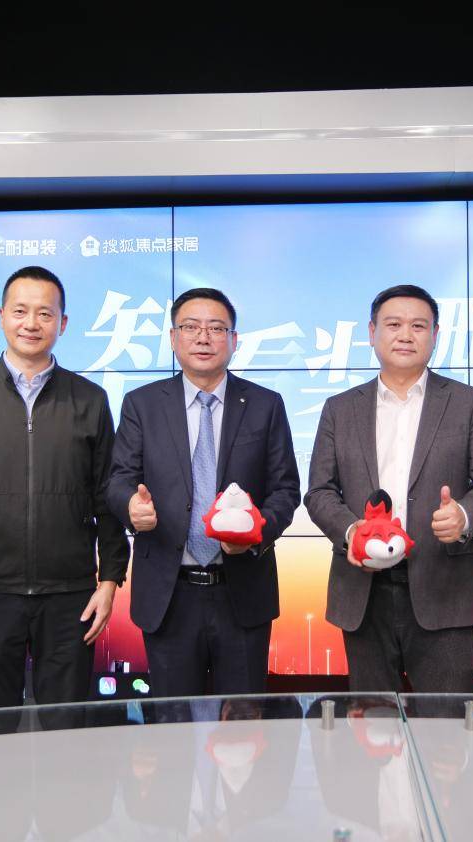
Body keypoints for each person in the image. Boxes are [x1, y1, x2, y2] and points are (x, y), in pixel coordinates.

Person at [0, 265, 129, 732]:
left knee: (68, 731)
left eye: (45, 313)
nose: (31, 323)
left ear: (63, 323)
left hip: (69, 596)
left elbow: (107, 497)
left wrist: (110, 580)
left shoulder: (89, 399)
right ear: (1, 316)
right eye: (20, 311)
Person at [305, 284, 473, 692]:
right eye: (393, 324)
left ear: (435, 335)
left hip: (444, 585)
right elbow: (319, 492)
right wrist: (354, 533)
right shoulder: (340, 409)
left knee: (446, 722)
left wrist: (463, 516)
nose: (405, 335)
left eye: (418, 326)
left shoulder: (468, 402)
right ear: (372, 333)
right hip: (362, 590)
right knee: (372, 721)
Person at [108, 287, 300, 698]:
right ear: (173, 337)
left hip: (242, 590)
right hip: (169, 591)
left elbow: (285, 489)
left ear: (234, 340)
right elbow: (119, 478)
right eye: (191, 327)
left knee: (243, 724)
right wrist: (130, 506)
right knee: (172, 723)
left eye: (216, 328)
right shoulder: (142, 404)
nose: (203, 337)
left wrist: (254, 534)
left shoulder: (265, 404)